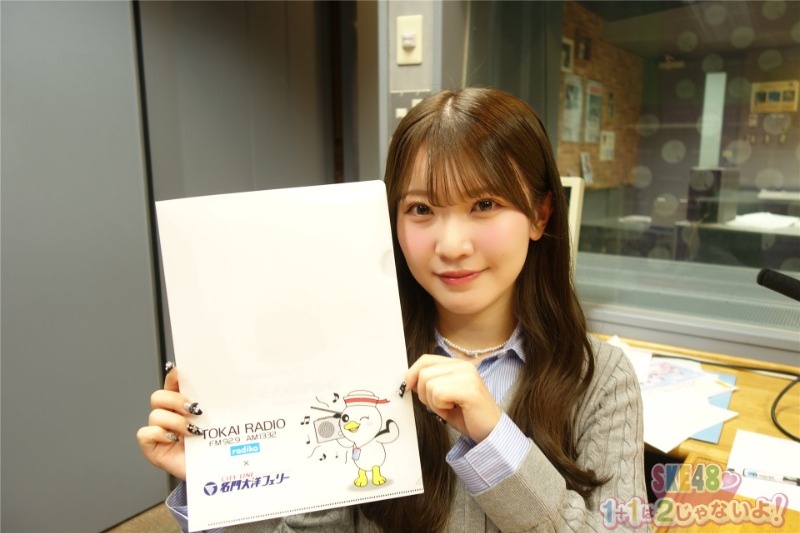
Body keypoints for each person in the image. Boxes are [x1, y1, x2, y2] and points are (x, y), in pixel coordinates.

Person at [137, 87, 647, 532]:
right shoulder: (353, 367)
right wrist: (224, 484)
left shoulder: (601, 379)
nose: (451, 246)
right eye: (421, 209)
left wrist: (496, 438)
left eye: (485, 204)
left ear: (540, 214)